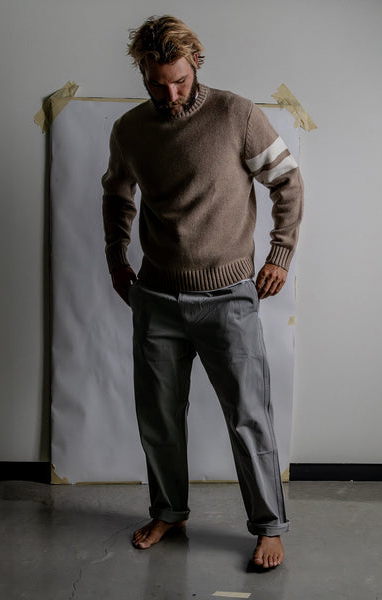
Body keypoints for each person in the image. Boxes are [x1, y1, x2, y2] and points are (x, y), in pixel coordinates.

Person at [101, 15, 304, 570]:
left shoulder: (235, 115)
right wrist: (117, 260)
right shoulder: (130, 129)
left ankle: (268, 525)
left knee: (248, 416)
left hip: (230, 298)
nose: (169, 94)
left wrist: (280, 254)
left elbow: (287, 180)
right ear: (142, 72)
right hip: (157, 298)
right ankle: (169, 510)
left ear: (197, 66)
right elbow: (118, 195)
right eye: (157, 83)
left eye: (180, 82)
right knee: (159, 417)